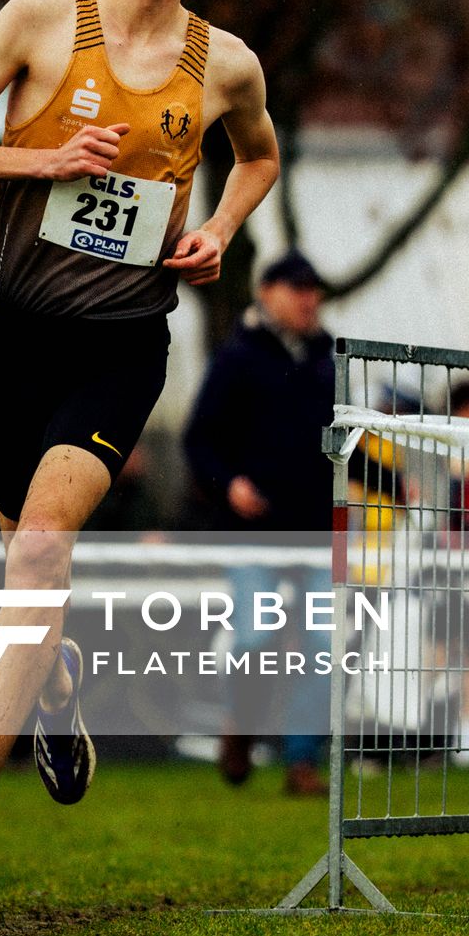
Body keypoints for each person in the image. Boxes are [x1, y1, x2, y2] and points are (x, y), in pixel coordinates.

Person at [0, 0, 280, 899]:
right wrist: (41, 159)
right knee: (30, 577)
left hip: (120, 343)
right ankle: (54, 691)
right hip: (19, 332)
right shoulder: (39, 18)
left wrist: (221, 231)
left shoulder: (224, 63)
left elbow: (257, 155)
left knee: (40, 553)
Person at [183, 248, 334, 796]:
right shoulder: (237, 357)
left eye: (314, 289)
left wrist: (395, 484)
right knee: (255, 637)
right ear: (268, 292)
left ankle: (301, 761)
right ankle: (240, 727)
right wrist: (230, 485)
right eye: (299, 288)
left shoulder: (326, 359)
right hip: (252, 534)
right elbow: (198, 440)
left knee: (326, 646)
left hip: (316, 532)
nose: (309, 298)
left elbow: (342, 441)